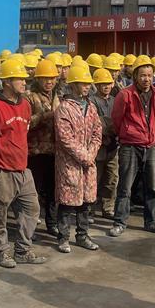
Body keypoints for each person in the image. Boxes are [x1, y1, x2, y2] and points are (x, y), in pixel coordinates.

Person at [0, 58, 47, 268]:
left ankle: (22, 250)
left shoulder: (25, 105)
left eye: (25, 79)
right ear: (7, 82)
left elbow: (23, 133)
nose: (24, 82)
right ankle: (2, 251)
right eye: (19, 79)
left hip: (22, 169)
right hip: (0, 170)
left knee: (31, 209)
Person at [109, 55, 155, 237]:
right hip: (130, 146)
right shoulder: (125, 95)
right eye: (142, 75)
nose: (146, 79)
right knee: (125, 186)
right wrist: (128, 133)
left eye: (149, 75)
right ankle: (120, 222)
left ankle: (151, 221)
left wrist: (152, 134)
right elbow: (116, 119)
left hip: (151, 146)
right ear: (135, 76)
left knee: (152, 187)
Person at [53, 64, 102, 253]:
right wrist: (84, 156)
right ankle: (63, 238)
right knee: (67, 202)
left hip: (88, 162)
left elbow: (97, 132)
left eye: (88, 83)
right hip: (69, 163)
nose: (87, 86)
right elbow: (65, 138)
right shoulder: (64, 108)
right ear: (73, 84)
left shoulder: (91, 107)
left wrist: (92, 153)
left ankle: (82, 235)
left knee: (86, 202)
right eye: (83, 83)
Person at [27, 58, 60, 237]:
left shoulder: (58, 96)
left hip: (54, 152)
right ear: (38, 79)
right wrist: (44, 116)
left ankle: (52, 223)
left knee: (52, 190)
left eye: (52, 78)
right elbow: (25, 123)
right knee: (34, 192)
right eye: (45, 78)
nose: (49, 82)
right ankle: (30, 226)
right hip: (35, 152)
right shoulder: (29, 97)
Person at [90, 67, 118, 219]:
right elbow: (96, 122)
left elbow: (119, 120)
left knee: (111, 178)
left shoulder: (115, 100)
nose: (106, 86)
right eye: (103, 83)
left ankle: (108, 207)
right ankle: (90, 208)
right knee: (95, 178)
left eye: (108, 83)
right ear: (96, 85)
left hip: (113, 146)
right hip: (98, 146)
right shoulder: (92, 101)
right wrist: (110, 127)